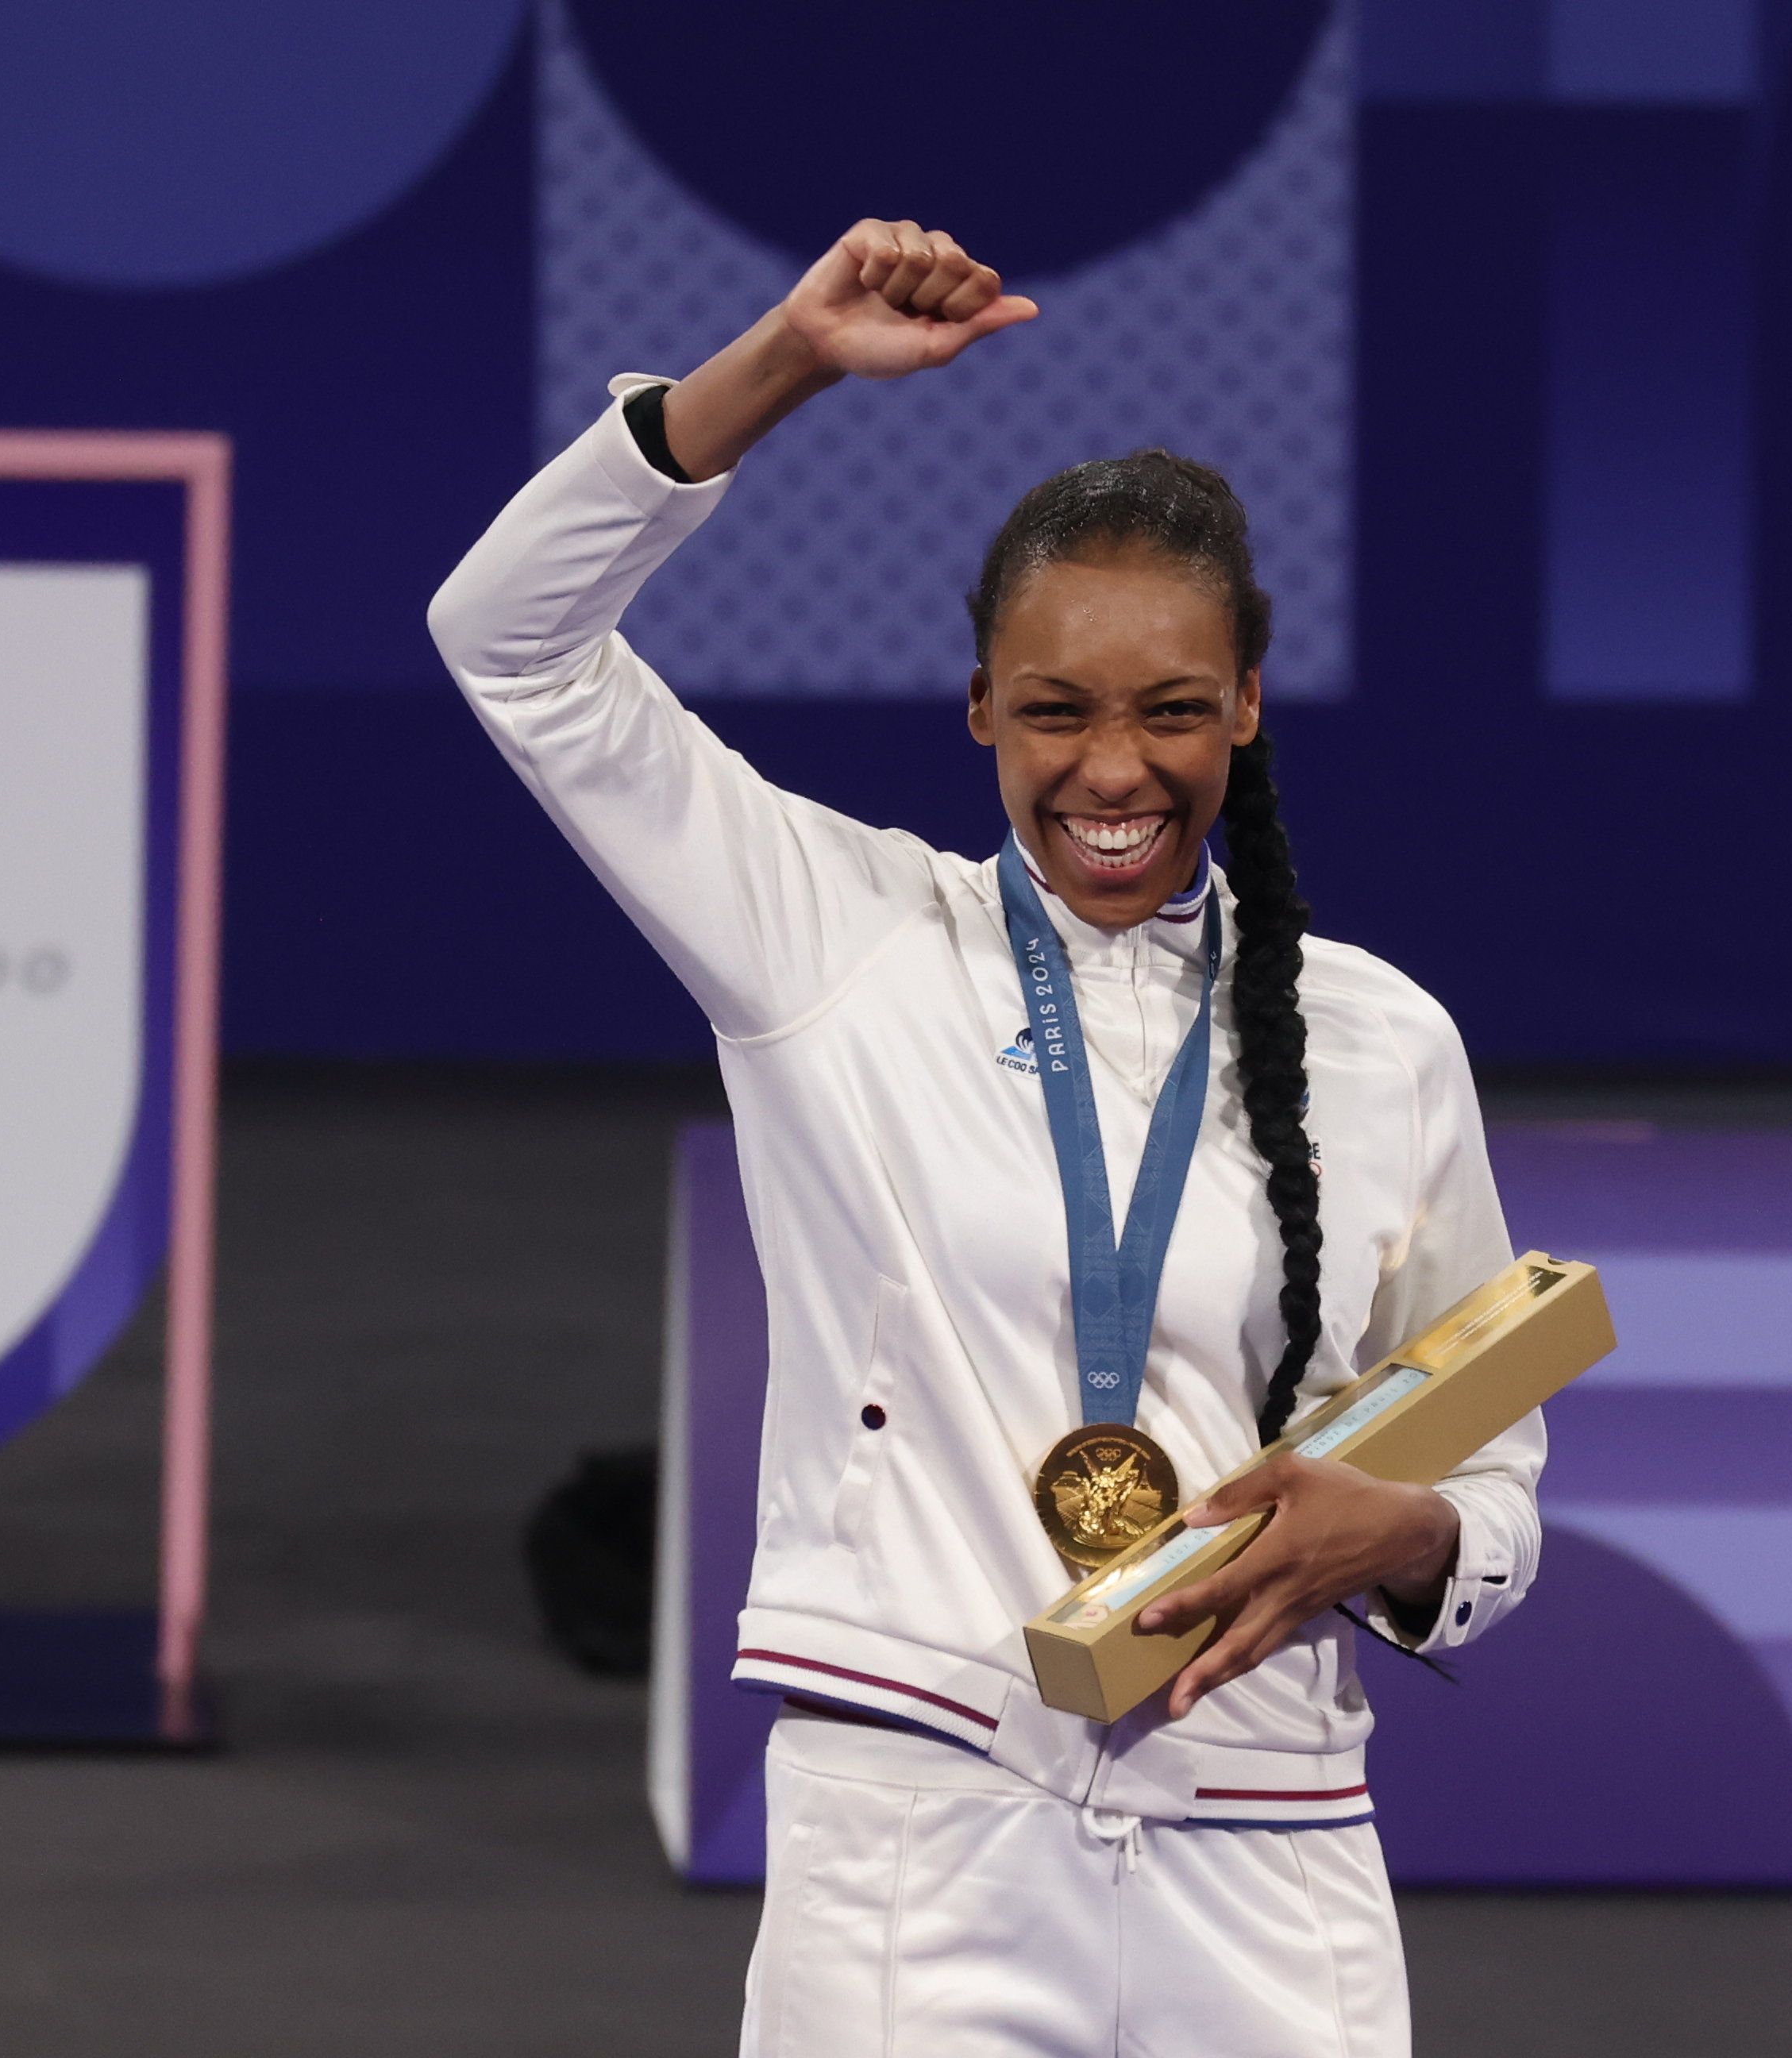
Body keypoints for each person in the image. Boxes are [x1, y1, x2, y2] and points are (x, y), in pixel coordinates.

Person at [430, 218, 1544, 2056]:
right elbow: (511, 643)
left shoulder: (1382, 1043)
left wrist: (1408, 1536)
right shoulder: (829, 945)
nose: (1117, 768)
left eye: (1175, 711)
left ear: (1248, 709)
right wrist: (781, 359)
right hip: (915, 1837)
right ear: (979, 712)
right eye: (1058, 710)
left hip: (1271, 1850)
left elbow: (1494, 1485)